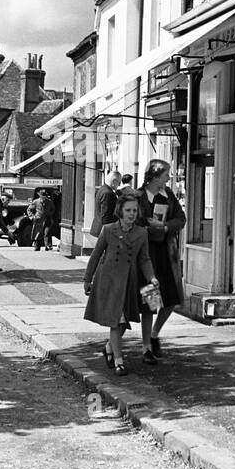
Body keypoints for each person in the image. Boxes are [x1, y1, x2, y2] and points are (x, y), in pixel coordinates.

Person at [83, 189, 159, 374]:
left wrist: (152, 277)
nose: (132, 214)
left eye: (134, 210)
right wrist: (87, 278)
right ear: (120, 211)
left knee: (123, 322)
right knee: (116, 321)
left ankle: (109, 348)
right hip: (109, 281)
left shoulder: (141, 233)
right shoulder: (108, 230)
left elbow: (144, 259)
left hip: (129, 282)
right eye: (128, 210)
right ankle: (119, 362)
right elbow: (96, 254)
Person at [136, 159, 186, 363]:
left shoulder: (169, 196)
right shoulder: (139, 197)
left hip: (167, 253)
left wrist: (165, 227)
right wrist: (149, 228)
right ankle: (147, 346)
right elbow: (134, 221)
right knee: (150, 301)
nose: (169, 177)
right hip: (148, 255)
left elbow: (181, 219)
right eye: (166, 174)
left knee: (172, 298)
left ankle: (155, 333)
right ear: (155, 176)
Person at [89, 167, 119, 240]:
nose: (119, 185)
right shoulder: (108, 193)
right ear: (114, 181)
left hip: (100, 228)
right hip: (104, 230)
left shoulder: (102, 189)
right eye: (119, 182)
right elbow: (106, 215)